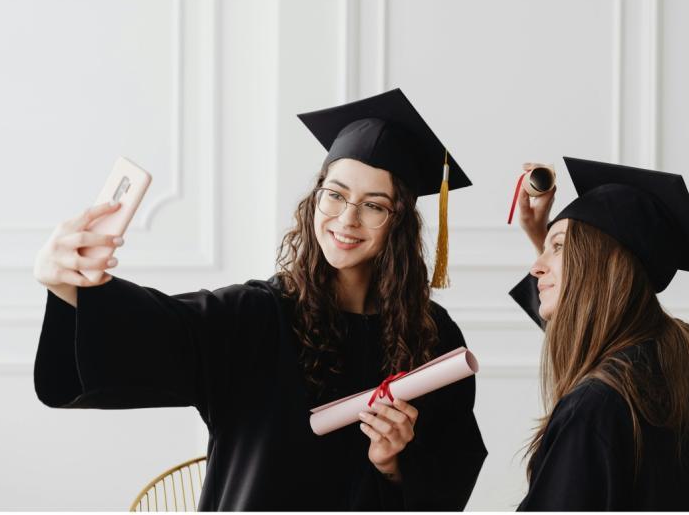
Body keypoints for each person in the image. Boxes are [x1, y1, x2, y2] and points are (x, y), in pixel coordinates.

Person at [32, 88, 487, 510]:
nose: (347, 219)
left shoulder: (433, 337)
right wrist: (70, 287)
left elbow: (449, 476)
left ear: (399, 223)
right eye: (335, 194)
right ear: (315, 200)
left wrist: (392, 466)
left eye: (373, 205)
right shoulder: (254, 317)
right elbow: (158, 328)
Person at [508, 157, 689, 511]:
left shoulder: (594, 407)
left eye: (558, 247)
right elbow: (583, 333)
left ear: (602, 260)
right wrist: (544, 239)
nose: (535, 267)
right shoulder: (684, 363)